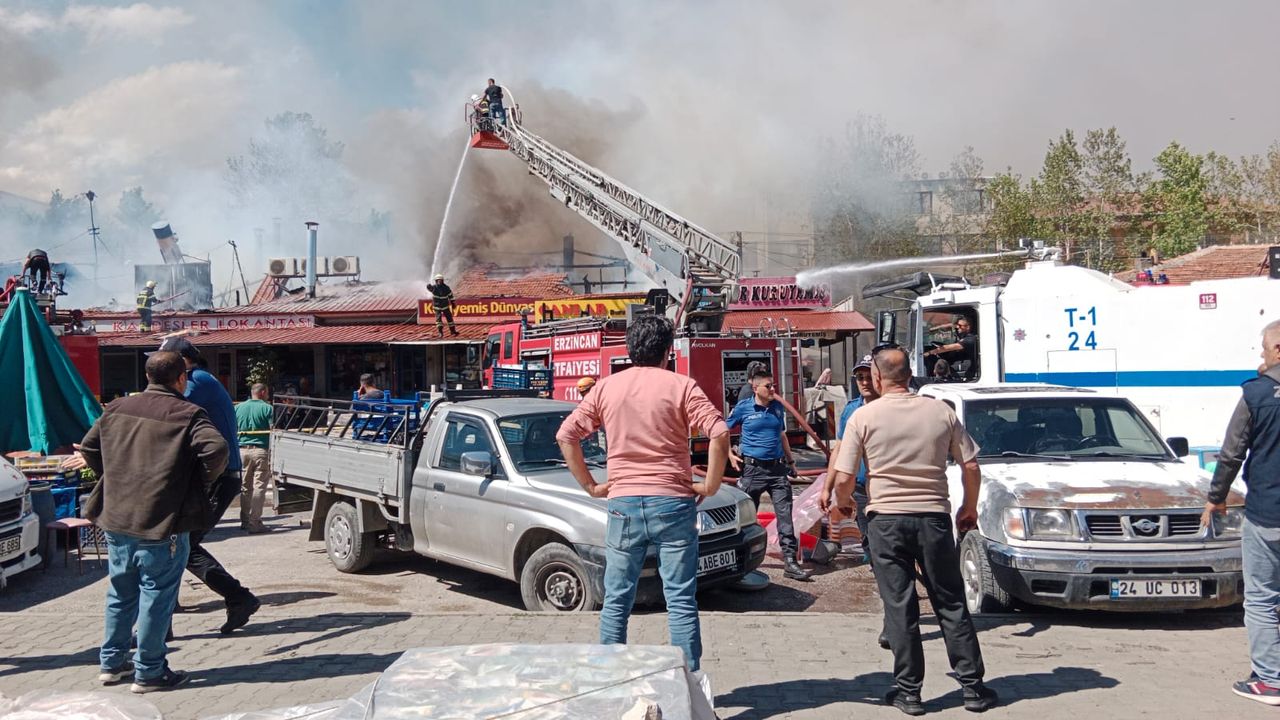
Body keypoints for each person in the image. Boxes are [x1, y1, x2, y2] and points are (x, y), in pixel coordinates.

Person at [556, 314, 729, 673]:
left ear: (630, 349)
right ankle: (689, 684)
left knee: (617, 598)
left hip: (623, 505)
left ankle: (610, 680)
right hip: (673, 502)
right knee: (680, 598)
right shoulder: (682, 386)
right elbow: (719, 432)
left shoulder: (606, 388)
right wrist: (710, 485)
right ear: (668, 351)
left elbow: (566, 436)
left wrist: (590, 486)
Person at [830, 347, 996, 715]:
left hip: (886, 521)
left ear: (876, 377)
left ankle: (909, 693)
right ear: (909, 374)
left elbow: (844, 477)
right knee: (950, 601)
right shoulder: (940, 410)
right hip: (932, 518)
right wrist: (968, 508)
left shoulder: (863, 416)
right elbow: (971, 466)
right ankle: (972, 688)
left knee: (899, 606)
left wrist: (844, 504)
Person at [79, 351, 229, 693]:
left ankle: (112, 664)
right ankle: (149, 672)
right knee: (156, 596)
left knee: (120, 592)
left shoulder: (116, 408)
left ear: (148, 377)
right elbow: (216, 450)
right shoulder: (187, 413)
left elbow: (89, 448)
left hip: (117, 519)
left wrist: (114, 478)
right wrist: (196, 483)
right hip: (162, 521)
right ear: (180, 380)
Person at [155, 337, 260, 633]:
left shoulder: (195, 382)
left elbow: (165, 413)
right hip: (216, 475)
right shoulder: (201, 380)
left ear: (180, 362)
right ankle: (165, 613)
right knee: (179, 544)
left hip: (217, 475)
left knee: (182, 546)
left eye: (165, 361)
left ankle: (237, 597)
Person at [1202, 319, 1280, 705]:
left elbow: (1232, 452)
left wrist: (1216, 496)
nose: (1260, 355)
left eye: (1264, 348)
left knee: (1263, 598)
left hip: (1269, 513)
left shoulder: (1257, 394)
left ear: (1277, 350)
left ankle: (1270, 680)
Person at [727, 367, 811, 581]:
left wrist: (791, 462)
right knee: (746, 519)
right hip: (753, 471)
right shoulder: (743, 408)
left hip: (777, 470)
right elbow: (721, 430)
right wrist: (729, 454)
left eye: (773, 385)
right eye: (768, 385)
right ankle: (742, 564)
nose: (773, 389)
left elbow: (782, 436)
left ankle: (790, 561)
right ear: (755, 388)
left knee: (785, 517)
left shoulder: (776, 409)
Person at [822, 354, 879, 564]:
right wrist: (827, 488)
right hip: (861, 489)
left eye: (869, 377)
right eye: (860, 377)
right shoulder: (851, 409)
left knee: (885, 541)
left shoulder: (891, 408)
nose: (865, 382)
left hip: (886, 490)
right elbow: (839, 450)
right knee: (868, 536)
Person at [235, 383, 273, 534]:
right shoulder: (267, 408)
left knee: (245, 487)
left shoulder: (237, 408)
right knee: (259, 486)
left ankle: (244, 521)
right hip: (260, 451)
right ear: (263, 392)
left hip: (242, 451)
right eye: (267, 392)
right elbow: (273, 429)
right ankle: (255, 522)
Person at [924, 316, 977, 380]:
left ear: (968, 327)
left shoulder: (970, 340)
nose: (957, 327)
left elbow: (947, 348)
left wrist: (929, 353)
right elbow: (951, 325)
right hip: (958, 357)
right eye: (957, 325)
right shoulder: (963, 332)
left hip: (969, 363)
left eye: (960, 326)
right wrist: (932, 329)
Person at [427, 273, 459, 337]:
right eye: (438, 280)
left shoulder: (446, 288)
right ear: (436, 281)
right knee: (438, 320)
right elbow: (430, 289)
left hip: (445, 306)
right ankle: (440, 332)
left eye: (441, 280)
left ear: (443, 280)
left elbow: (450, 296)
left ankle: (453, 331)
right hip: (437, 307)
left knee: (450, 319)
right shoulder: (434, 288)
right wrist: (428, 287)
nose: (439, 281)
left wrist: (453, 303)